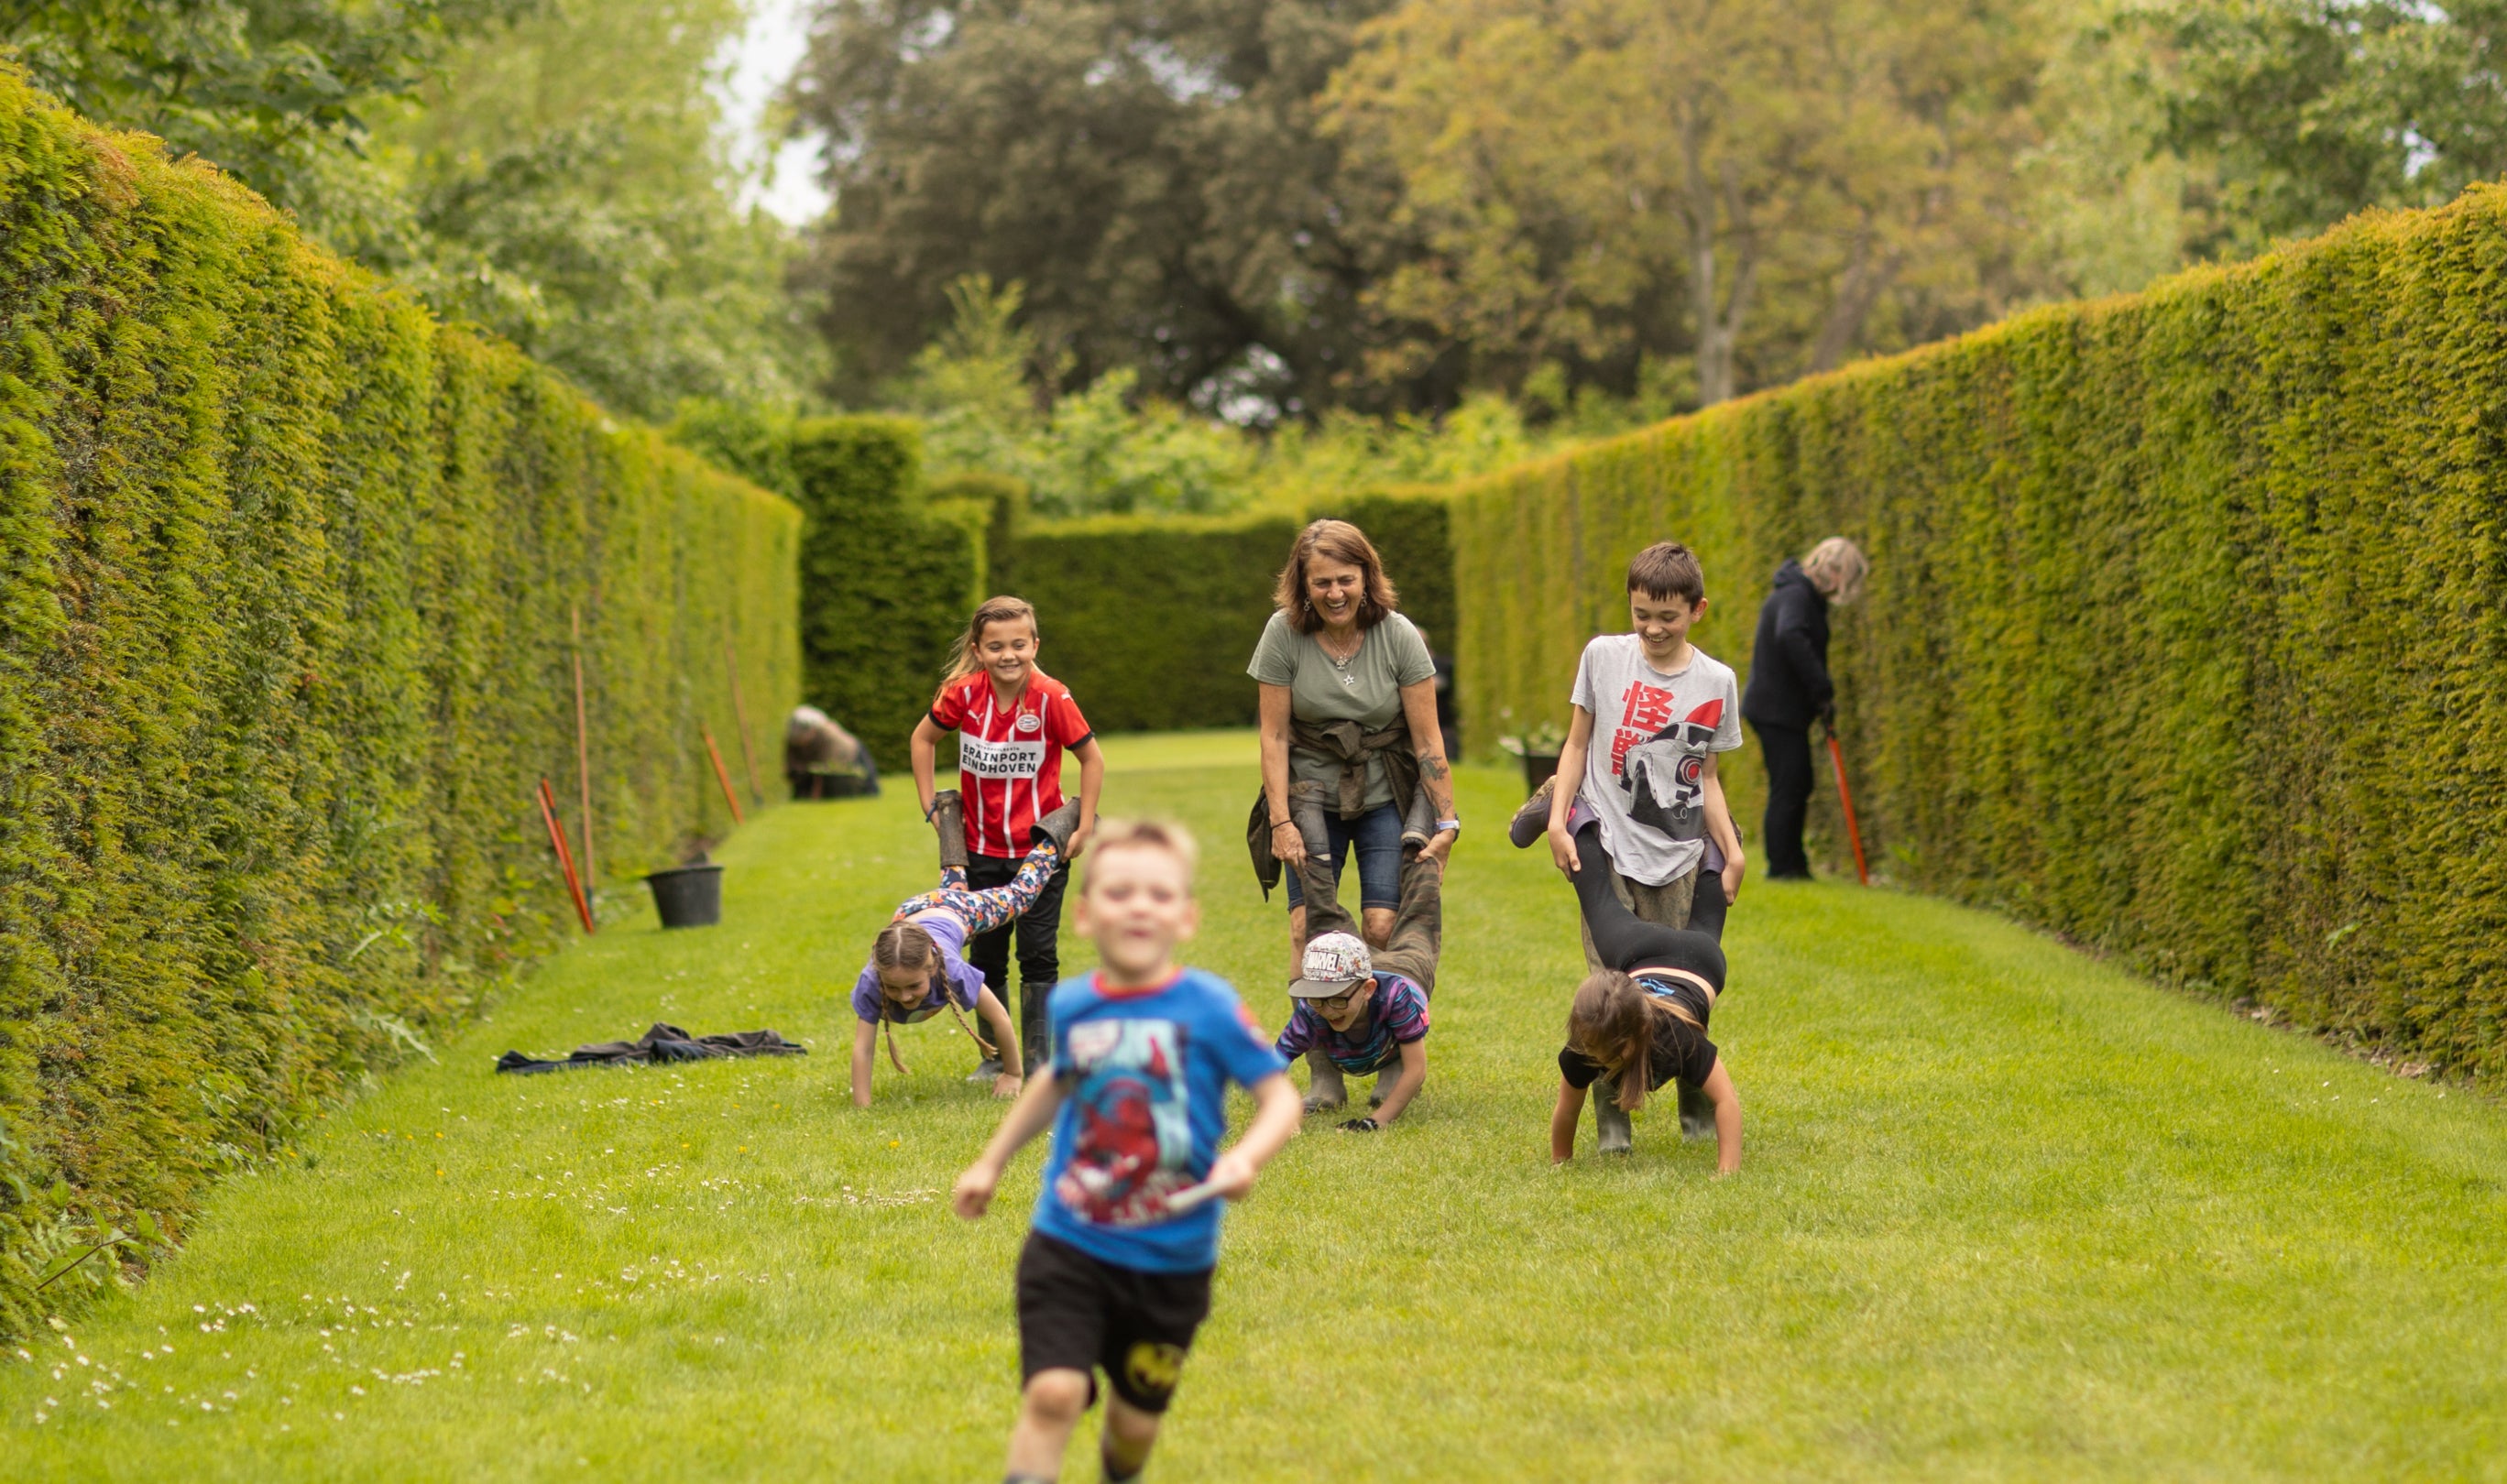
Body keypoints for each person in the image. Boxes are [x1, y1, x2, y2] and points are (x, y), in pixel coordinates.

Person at [953, 821, 1302, 1484]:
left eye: (1158, 894)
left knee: (1134, 1428)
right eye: (1118, 893)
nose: (1139, 906)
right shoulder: (1077, 1005)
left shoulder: (1211, 1008)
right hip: (1069, 1241)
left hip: (1172, 1263)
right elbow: (1054, 1085)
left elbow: (1280, 1100)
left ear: (1187, 917)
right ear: (1084, 915)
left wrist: (1245, 1158)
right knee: (1052, 1396)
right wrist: (990, 1162)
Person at [1507, 541, 1746, 1141]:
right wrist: (1560, 822)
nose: (1654, 628)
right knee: (1611, 985)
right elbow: (1578, 745)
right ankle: (1613, 1117)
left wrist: (1732, 852)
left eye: (1668, 617)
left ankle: (1696, 1099)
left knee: (1680, 983)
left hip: (1678, 853)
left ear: (1698, 610)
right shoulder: (1603, 657)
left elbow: (1709, 777)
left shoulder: (1717, 681)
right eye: (1642, 615)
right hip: (1609, 840)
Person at [1249, 518, 1458, 1113]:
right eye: (1321, 582)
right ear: (1302, 583)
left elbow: (1427, 739)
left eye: (1346, 579)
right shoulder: (1282, 635)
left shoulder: (1397, 636)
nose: (1335, 592)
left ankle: (1392, 1053)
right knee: (1304, 928)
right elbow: (1272, 735)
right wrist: (1282, 821)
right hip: (1309, 791)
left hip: (1383, 793)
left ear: (1367, 576)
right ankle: (1323, 1070)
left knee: (1380, 927)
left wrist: (1447, 822)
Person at [913, 595, 1106, 1080]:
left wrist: (1082, 828)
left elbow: (1093, 759)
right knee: (986, 958)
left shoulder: (1052, 696)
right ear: (979, 649)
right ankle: (996, 1058)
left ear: (1034, 644)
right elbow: (922, 740)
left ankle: (1039, 1063)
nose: (1009, 655)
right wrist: (928, 804)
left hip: (1039, 854)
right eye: (996, 646)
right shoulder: (961, 694)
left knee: (1038, 955)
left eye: (1019, 644)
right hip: (978, 854)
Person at [847, 795, 1084, 1108]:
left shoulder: (951, 970)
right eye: (894, 988)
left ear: (932, 967)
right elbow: (863, 1048)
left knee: (1019, 897)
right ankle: (950, 815)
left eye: (913, 987)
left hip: (960, 911)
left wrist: (1013, 1074)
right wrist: (862, 1108)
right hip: (914, 913)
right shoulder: (873, 978)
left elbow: (999, 1017)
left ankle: (1054, 833)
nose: (904, 997)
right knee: (951, 885)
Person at [1547, 814, 1743, 1173]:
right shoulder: (1586, 1042)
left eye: (1600, 1053)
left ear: (1630, 1041)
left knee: (1703, 911)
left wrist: (1726, 1174)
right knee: (1603, 901)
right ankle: (1571, 814)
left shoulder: (1677, 1037)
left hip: (1697, 959)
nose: (1590, 1057)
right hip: (1642, 954)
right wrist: (1560, 1165)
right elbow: (1567, 1109)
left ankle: (1722, 837)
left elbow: (1726, 1101)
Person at [1272, 838, 1442, 1120]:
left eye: (1336, 1000)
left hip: (1408, 968)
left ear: (1367, 989)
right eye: (1318, 1000)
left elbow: (1417, 1069)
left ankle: (1423, 834)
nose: (1327, 1010)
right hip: (1353, 973)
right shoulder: (1313, 1006)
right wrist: (1283, 1117)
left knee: (1422, 905)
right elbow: (1268, 1070)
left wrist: (1376, 1122)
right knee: (1320, 907)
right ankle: (1309, 834)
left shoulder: (1396, 997)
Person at [1740, 536, 1868, 879]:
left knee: (1798, 782)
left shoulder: (1799, 594)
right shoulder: (1796, 596)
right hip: (1774, 710)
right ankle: (1782, 867)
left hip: (1781, 709)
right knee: (1790, 783)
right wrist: (1821, 685)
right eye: (1848, 579)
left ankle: (1794, 864)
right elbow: (1790, 635)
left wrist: (1818, 699)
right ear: (1836, 570)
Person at [785, 704, 879, 798]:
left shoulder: (830, 737)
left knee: (868, 788)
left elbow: (827, 768)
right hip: (826, 762)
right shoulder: (792, 738)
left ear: (813, 730)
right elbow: (792, 766)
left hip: (852, 754)